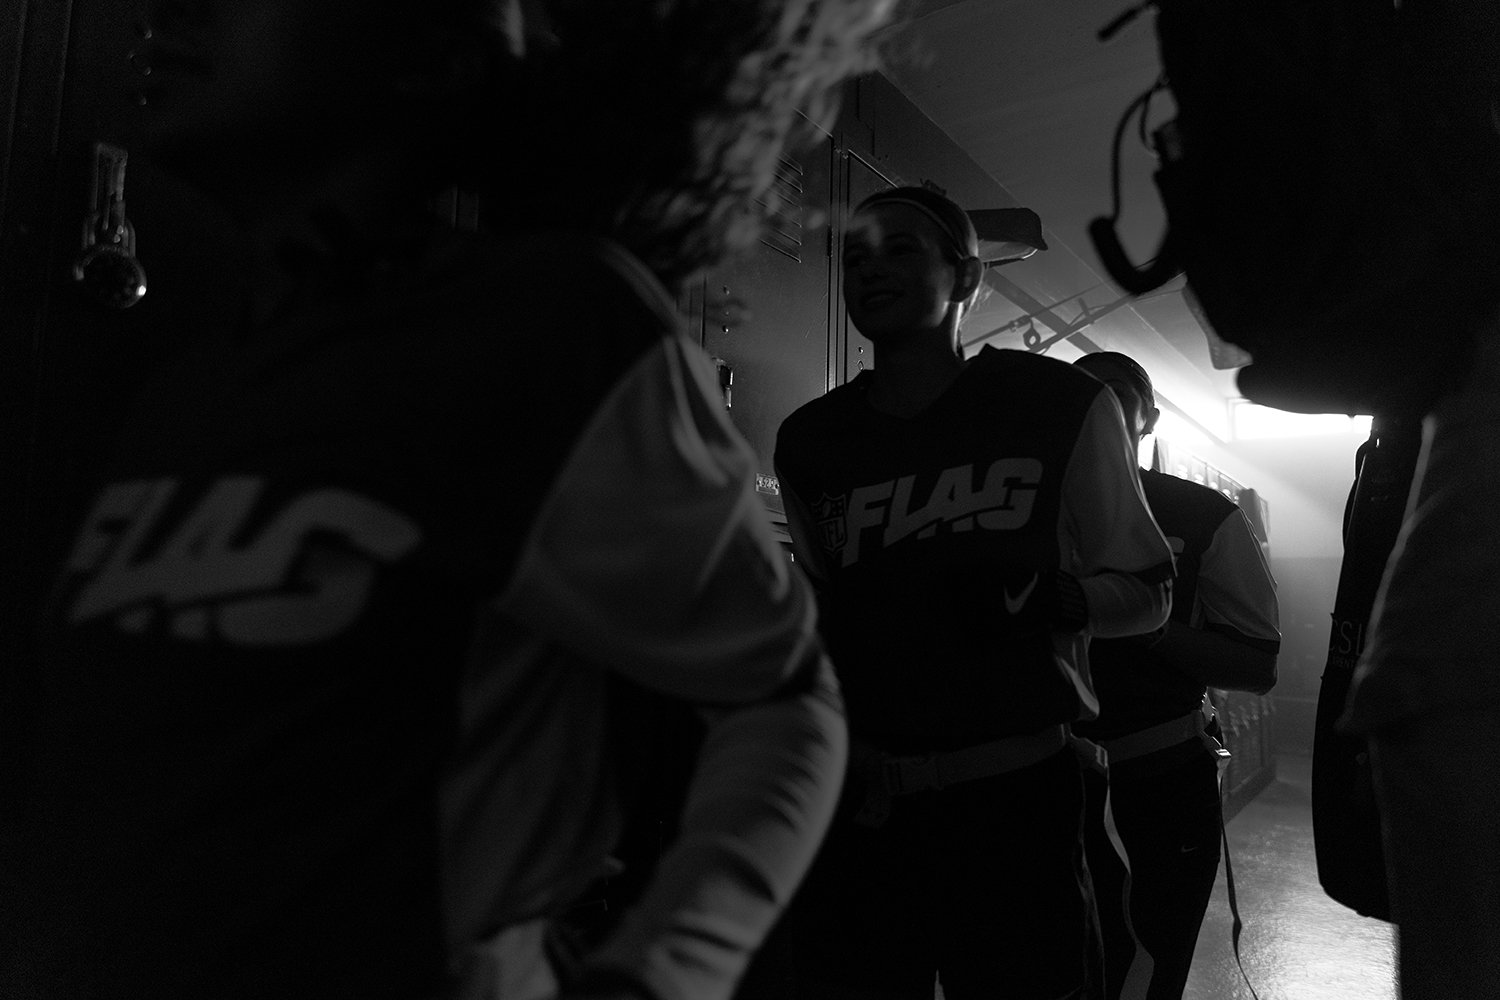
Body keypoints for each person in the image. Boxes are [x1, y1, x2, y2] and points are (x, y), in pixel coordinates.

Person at [0, 2, 896, 998]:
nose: (179, 12)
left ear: (426, 62)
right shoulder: (187, 387)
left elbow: (779, 701)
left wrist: (665, 971)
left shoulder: (542, 333)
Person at [768, 187, 1175, 1000]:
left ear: (966, 276)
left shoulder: (1057, 405)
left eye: (900, 250)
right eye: (854, 258)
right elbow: (818, 615)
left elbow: (1149, 589)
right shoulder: (811, 441)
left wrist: (1058, 599)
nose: (871, 271)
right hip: (871, 811)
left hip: (1017, 800)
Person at [1071, 351, 1280, 1000]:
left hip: (1159, 780)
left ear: (1148, 417)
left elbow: (1257, 664)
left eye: (1118, 393)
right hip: (1050, 779)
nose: (1099, 403)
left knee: (1149, 969)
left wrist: (1147, 623)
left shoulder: (1202, 514)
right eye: (1082, 393)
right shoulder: (1026, 511)